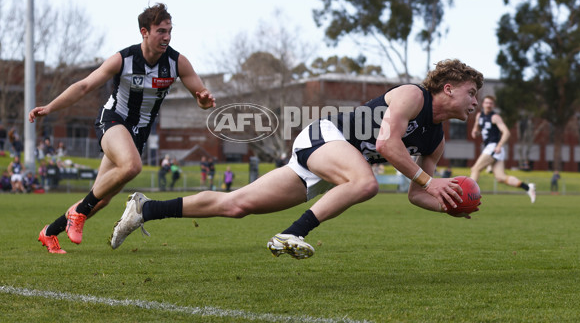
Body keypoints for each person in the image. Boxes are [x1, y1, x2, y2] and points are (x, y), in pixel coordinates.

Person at [110, 59, 483, 259]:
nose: (476, 102)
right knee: (366, 183)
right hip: (325, 136)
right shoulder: (412, 95)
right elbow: (387, 144)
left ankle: (145, 209)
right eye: (471, 93)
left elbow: (417, 193)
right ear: (447, 88)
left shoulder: (436, 140)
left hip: (336, 159)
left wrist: (445, 202)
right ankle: (292, 234)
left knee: (236, 204)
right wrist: (429, 181)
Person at [30, 3, 216, 254]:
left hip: (138, 133)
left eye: (170, 30)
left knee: (100, 198)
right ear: (144, 32)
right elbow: (84, 86)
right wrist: (50, 107)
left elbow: (201, 96)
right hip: (113, 120)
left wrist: (203, 102)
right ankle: (78, 213)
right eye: (161, 31)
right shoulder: (124, 59)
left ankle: (50, 232)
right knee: (132, 166)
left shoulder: (177, 62)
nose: (167, 37)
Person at [470, 95, 536, 203]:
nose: (488, 105)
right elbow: (476, 128)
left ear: (493, 105)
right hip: (489, 147)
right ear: (483, 104)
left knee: (475, 169)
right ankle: (528, 188)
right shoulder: (479, 116)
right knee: (501, 177)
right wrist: (475, 132)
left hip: (494, 147)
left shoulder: (495, 117)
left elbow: (506, 132)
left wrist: (499, 145)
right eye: (486, 103)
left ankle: (470, 196)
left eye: (491, 103)